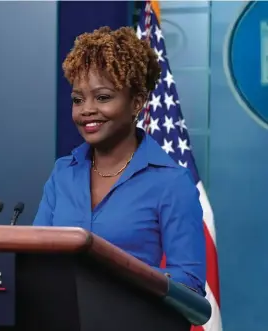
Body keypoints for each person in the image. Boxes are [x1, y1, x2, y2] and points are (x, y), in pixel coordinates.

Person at [32, 26, 206, 296]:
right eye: (78, 100)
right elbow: (37, 256)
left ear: (137, 102)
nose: (87, 110)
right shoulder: (63, 172)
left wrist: (114, 275)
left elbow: (189, 283)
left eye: (103, 97)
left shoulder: (171, 182)